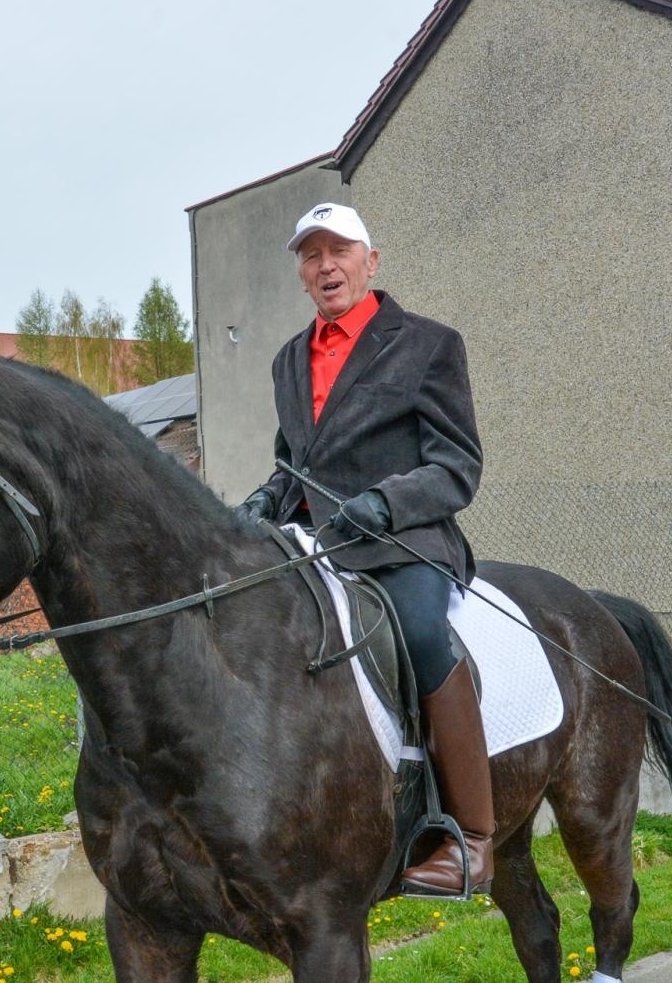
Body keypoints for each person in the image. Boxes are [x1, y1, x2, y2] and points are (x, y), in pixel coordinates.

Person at [235, 201, 491, 897]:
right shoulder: (289, 360)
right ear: (301, 273)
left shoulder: (428, 344)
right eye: (311, 255)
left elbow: (456, 467)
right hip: (315, 548)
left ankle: (471, 837)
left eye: (339, 250)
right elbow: (295, 463)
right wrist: (266, 500)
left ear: (370, 261)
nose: (326, 266)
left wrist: (386, 502)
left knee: (419, 632)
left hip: (404, 543)